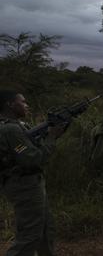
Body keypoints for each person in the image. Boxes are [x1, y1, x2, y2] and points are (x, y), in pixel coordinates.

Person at [0, 89, 65, 256]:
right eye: (23, 102)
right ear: (10, 104)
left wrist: (55, 130)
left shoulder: (18, 126)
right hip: (24, 186)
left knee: (45, 230)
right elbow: (33, 159)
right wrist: (51, 137)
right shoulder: (10, 129)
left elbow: (34, 146)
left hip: (31, 183)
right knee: (30, 235)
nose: (26, 105)